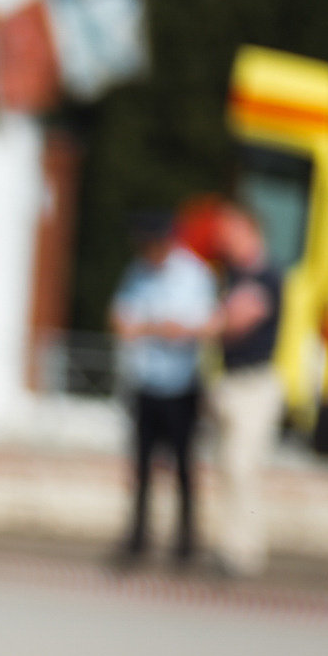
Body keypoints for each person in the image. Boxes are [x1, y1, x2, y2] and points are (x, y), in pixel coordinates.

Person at [109, 210, 217, 568]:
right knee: (141, 465)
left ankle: (185, 541)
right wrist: (154, 328)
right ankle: (139, 537)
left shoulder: (194, 274)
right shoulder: (137, 272)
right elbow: (122, 317)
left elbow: (203, 325)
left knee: (184, 465)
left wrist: (159, 329)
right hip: (146, 379)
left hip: (181, 382)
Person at [210, 205, 283, 578]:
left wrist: (199, 321)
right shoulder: (233, 275)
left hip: (256, 384)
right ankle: (230, 543)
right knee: (228, 469)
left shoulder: (267, 276)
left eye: (231, 231)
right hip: (232, 381)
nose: (225, 240)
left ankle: (247, 550)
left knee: (244, 468)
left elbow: (233, 321)